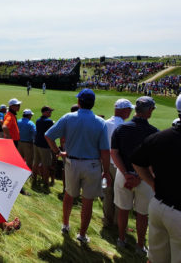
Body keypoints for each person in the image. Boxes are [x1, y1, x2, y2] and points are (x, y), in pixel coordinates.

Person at [45, 89, 111, 244]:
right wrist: (106, 171)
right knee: (87, 201)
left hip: (72, 163)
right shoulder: (100, 122)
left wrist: (57, 152)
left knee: (69, 195)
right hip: (93, 165)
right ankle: (82, 234)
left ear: (79, 102)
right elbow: (105, 151)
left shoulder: (68, 117)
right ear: (93, 103)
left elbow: (48, 135)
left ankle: (65, 225)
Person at [131, 94, 181, 263]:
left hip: (158, 206)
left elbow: (137, 162)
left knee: (155, 258)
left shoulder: (158, 137)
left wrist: (152, 183)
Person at [111, 96, 158, 254]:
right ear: (149, 111)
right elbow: (152, 162)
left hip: (123, 175)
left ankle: (121, 240)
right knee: (142, 213)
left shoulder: (121, 128)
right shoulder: (153, 132)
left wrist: (127, 174)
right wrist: (139, 177)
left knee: (123, 209)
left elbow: (114, 153)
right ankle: (139, 245)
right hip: (144, 178)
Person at [102, 99, 134, 228]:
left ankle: (107, 220)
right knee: (120, 195)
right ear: (124, 110)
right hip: (118, 165)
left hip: (105, 164)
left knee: (107, 192)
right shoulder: (124, 127)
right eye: (129, 109)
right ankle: (117, 223)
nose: (130, 112)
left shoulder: (105, 123)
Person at [33, 106, 54, 187]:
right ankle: (46, 183)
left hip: (36, 143)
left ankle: (34, 178)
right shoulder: (49, 121)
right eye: (49, 111)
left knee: (36, 163)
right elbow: (51, 132)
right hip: (44, 145)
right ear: (44, 112)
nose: (50, 113)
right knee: (46, 165)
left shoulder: (38, 120)